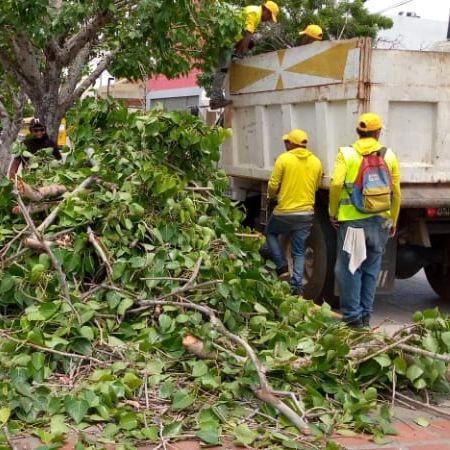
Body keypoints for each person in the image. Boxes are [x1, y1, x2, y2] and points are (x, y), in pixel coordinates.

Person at [329, 113, 401, 328]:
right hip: (380, 223)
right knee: (371, 270)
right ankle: (366, 317)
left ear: (358, 131)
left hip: (353, 223)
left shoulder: (347, 154)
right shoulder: (389, 155)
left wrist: (333, 212)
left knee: (350, 269)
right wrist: (393, 220)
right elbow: (396, 191)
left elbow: (335, 184)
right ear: (378, 132)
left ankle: (353, 319)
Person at [266, 129, 323, 296]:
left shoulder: (284, 159)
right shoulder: (316, 162)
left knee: (270, 233)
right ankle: (297, 286)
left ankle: (282, 267)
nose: (285, 145)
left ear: (291, 144)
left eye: (286, 142)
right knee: (299, 250)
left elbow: (273, 184)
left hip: (284, 212)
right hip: (305, 214)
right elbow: (317, 185)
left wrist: (271, 196)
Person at [209, 1, 279, 110]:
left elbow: (245, 36)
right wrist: (241, 53)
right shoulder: (254, 13)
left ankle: (233, 56)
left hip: (230, 40)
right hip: (225, 40)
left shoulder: (255, 12)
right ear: (266, 10)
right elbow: (247, 34)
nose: (268, 20)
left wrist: (240, 51)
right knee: (222, 69)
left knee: (251, 41)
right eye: (269, 16)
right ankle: (215, 99)